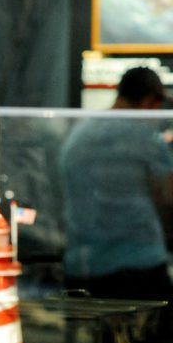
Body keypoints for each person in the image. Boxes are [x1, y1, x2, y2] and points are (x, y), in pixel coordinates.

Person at [61, 66, 173, 301]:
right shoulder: (145, 137)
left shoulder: (79, 134)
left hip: (83, 267)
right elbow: (169, 194)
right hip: (141, 267)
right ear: (150, 103)